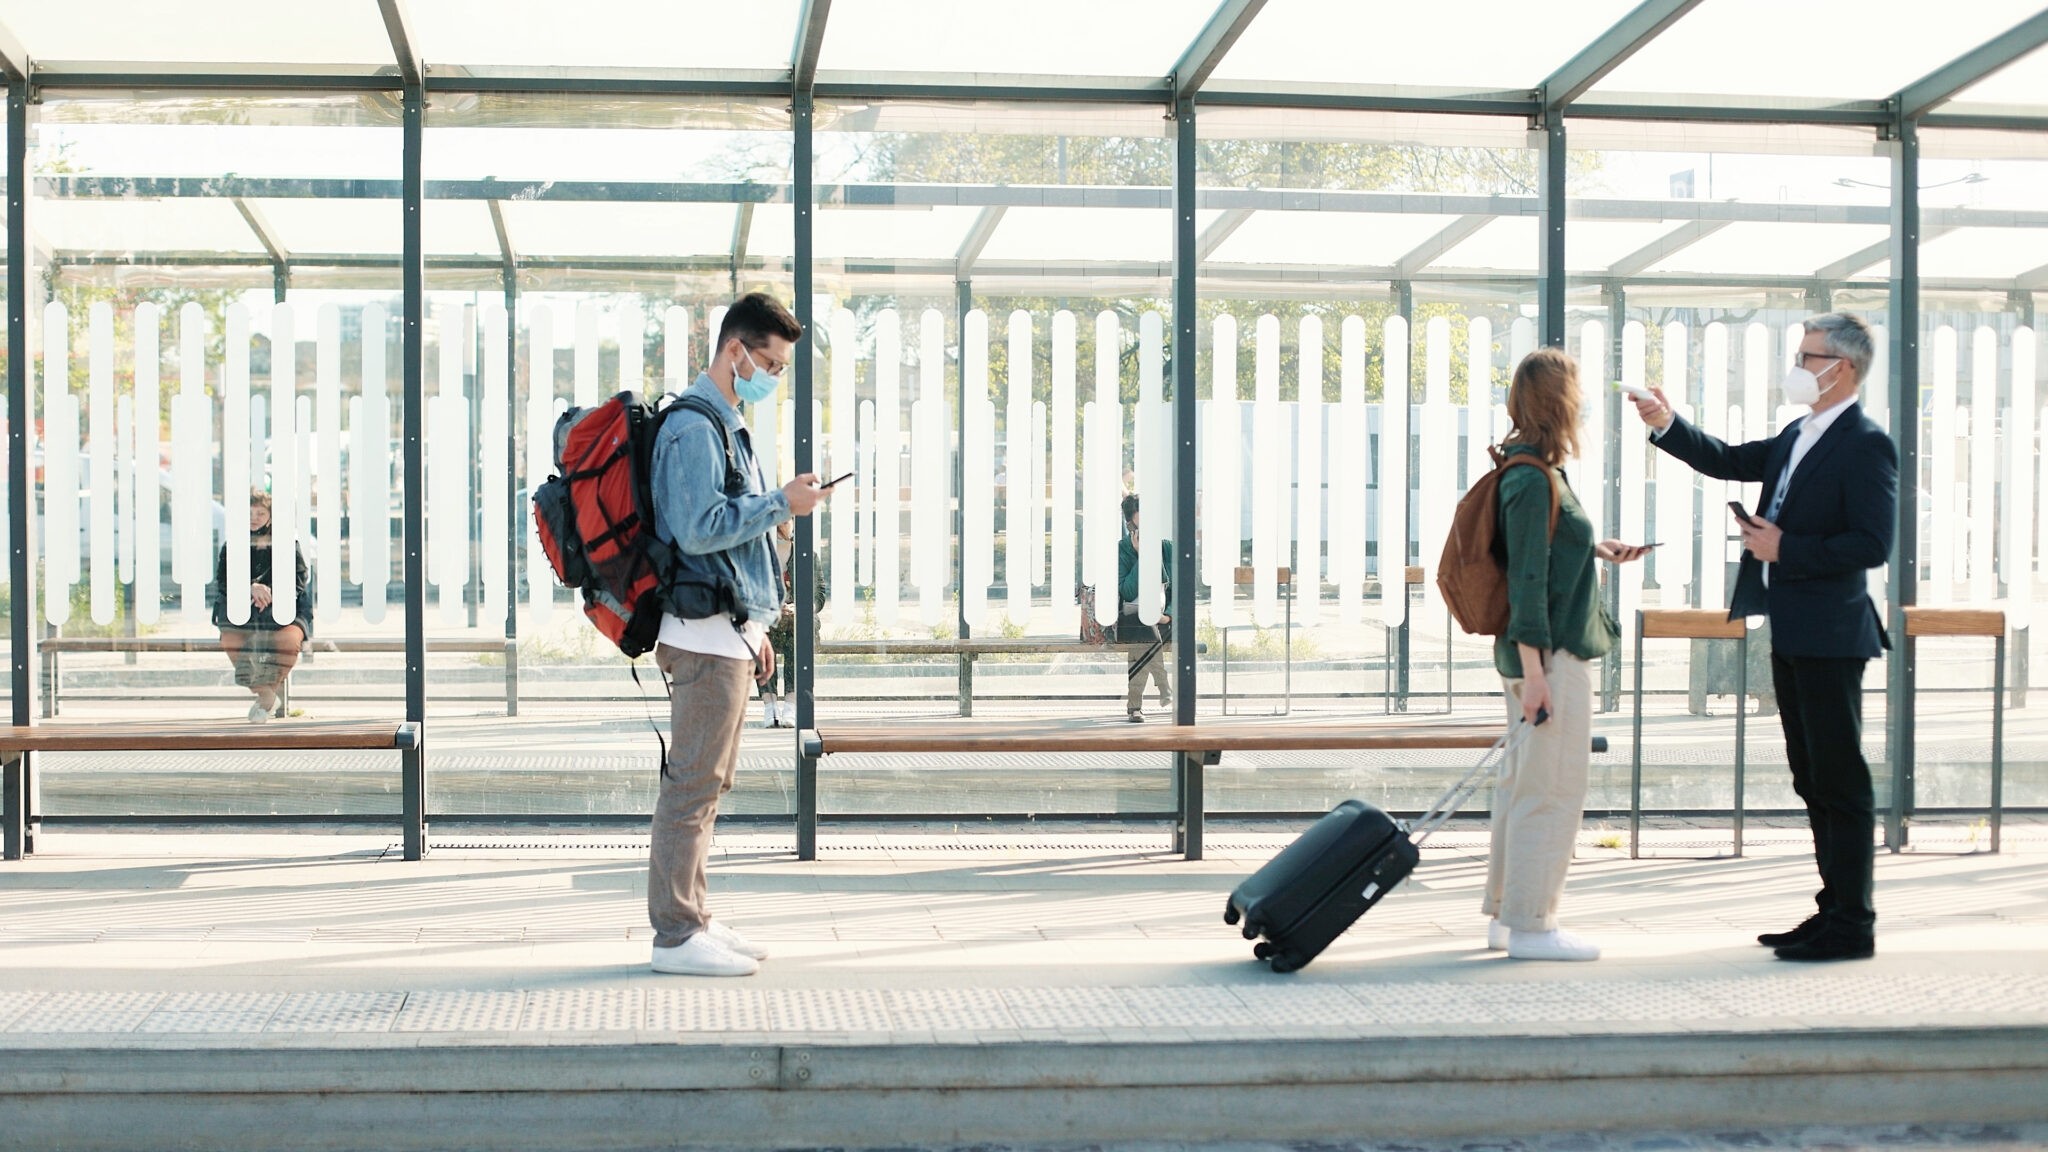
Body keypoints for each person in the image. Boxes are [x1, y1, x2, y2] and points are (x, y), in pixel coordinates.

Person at [1628, 313, 1896, 963]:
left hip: (1833, 634)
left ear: (1845, 369)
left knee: (1840, 781)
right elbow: (1727, 460)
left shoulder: (1864, 443)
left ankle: (1853, 923)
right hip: (1793, 630)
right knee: (1812, 778)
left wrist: (1786, 548)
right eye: (1799, 354)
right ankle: (1832, 908)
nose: (1798, 366)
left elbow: (1872, 543)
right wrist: (1667, 423)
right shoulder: (1799, 433)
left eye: (1809, 357)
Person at [647, 292, 835, 977]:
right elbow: (699, 528)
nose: (774, 378)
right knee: (691, 786)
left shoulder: (724, 424)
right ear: (736, 352)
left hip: (723, 631)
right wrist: (781, 502)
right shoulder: (696, 427)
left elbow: (731, 543)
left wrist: (754, 624)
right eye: (771, 363)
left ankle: (693, 914)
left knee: (708, 785)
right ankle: (674, 933)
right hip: (699, 637)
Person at [1486, 348, 1647, 962]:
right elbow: (1525, 583)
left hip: (1538, 659)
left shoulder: (1535, 470)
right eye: (1575, 392)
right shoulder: (1531, 480)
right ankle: (1533, 925)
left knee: (1523, 786)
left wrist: (1596, 551)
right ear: (1561, 401)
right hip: (1547, 660)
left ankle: (1509, 915)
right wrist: (1536, 677)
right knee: (1551, 790)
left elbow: (1545, 560)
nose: (1582, 403)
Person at [212, 490, 312, 724]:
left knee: (287, 642)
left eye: (260, 512)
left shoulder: (287, 542)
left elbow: (299, 580)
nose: (254, 517)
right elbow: (223, 581)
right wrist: (250, 588)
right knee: (231, 640)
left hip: (285, 612)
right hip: (244, 612)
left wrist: (272, 594)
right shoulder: (232, 545)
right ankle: (266, 696)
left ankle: (266, 698)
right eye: (249, 513)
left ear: (270, 516)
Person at [1116, 494, 1172, 722]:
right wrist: (1141, 556)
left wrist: (1167, 617)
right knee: (1144, 626)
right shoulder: (1122, 550)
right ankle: (1164, 686)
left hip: (1164, 622)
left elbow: (1179, 589)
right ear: (1130, 525)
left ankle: (1135, 706)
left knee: (1144, 633)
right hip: (1133, 618)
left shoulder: (1166, 548)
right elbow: (1127, 592)